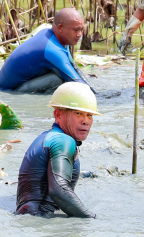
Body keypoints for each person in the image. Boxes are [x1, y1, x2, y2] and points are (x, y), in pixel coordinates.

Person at [16, 82, 99, 218]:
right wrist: (91, 218)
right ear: (58, 115)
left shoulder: (47, 137)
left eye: (90, 115)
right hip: (43, 221)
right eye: (78, 113)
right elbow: (59, 190)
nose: (86, 121)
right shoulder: (63, 141)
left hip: (30, 219)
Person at [0, 8, 93, 94]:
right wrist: (99, 99)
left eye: (81, 29)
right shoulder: (52, 49)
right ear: (60, 28)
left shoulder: (55, 37)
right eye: (76, 30)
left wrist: (93, 90)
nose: (80, 34)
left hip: (20, 84)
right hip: (9, 92)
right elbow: (76, 82)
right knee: (58, 80)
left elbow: (74, 68)